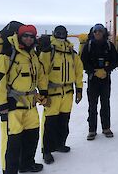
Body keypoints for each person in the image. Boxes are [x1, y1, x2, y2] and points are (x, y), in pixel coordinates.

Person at [0, 25, 48, 174]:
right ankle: (9, 171)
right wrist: (1, 106)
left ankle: (26, 164)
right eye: (25, 36)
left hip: (30, 106)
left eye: (31, 36)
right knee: (12, 143)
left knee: (31, 137)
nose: (28, 39)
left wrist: (43, 92)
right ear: (19, 36)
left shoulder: (33, 55)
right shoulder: (7, 55)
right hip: (12, 107)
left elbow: (41, 75)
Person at [39, 25, 83, 164]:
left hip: (68, 93)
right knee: (49, 123)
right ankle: (46, 150)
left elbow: (78, 71)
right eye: (58, 32)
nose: (60, 34)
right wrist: (43, 94)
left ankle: (59, 143)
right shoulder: (48, 52)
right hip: (52, 94)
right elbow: (42, 73)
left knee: (64, 121)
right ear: (54, 33)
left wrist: (79, 89)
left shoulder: (71, 52)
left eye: (63, 32)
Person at [81, 24, 117, 140]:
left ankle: (106, 128)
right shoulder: (88, 46)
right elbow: (83, 62)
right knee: (92, 105)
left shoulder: (109, 45)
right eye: (95, 31)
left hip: (105, 79)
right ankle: (92, 130)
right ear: (92, 32)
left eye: (100, 31)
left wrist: (106, 70)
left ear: (104, 33)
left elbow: (115, 61)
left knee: (105, 104)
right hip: (93, 79)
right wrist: (93, 71)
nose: (98, 33)